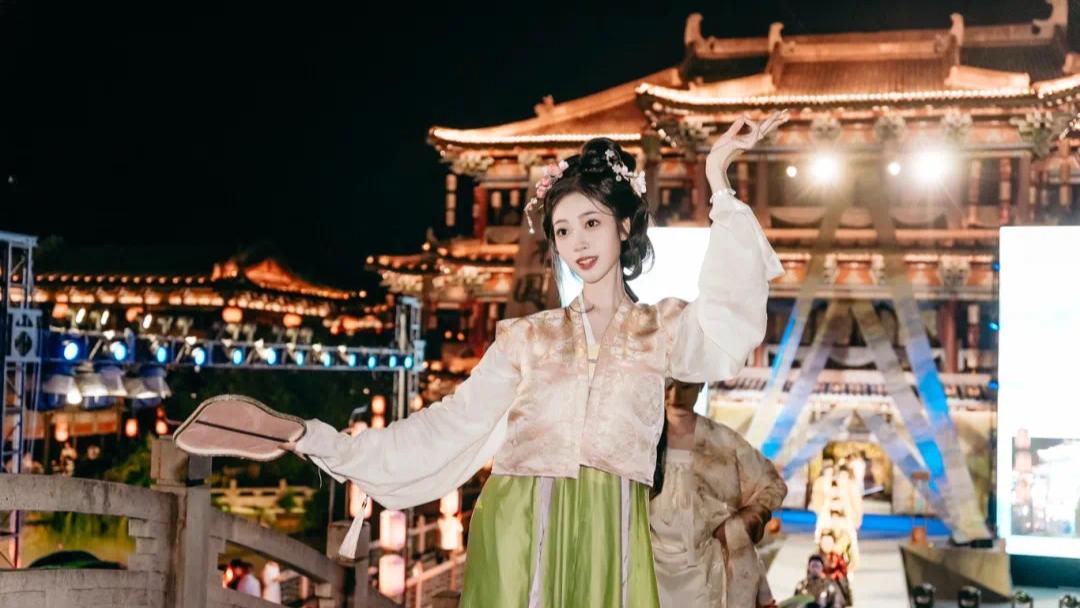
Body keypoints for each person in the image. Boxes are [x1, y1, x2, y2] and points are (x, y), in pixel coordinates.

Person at [283, 112, 788, 607]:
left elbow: (728, 322)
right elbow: (451, 424)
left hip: (610, 539)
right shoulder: (526, 338)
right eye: (562, 231)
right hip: (517, 535)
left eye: (591, 222)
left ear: (624, 225)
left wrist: (717, 177)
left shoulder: (662, 330)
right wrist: (326, 442)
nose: (577, 242)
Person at [649, 379, 787, 608]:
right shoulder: (645, 437)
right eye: (669, 385)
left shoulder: (722, 440)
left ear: (701, 386)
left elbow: (772, 484)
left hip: (708, 566)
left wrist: (740, 525)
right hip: (648, 559)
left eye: (685, 386)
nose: (675, 395)